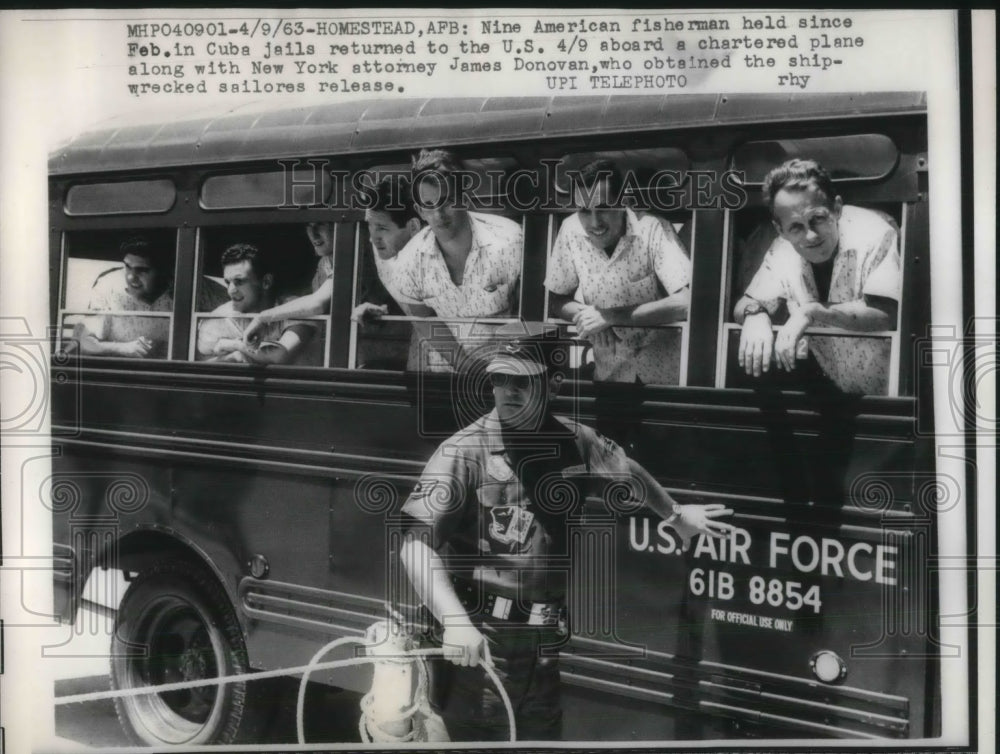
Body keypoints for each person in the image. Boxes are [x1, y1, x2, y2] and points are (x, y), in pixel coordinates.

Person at [398, 322, 733, 742]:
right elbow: (415, 545)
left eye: (521, 381)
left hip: (542, 648)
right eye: (499, 378)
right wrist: (455, 622)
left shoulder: (575, 441)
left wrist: (675, 513)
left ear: (553, 384)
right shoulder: (463, 451)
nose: (506, 390)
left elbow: (627, 473)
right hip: (482, 643)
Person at [733, 158, 900, 394]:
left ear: (837, 209)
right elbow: (744, 305)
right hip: (835, 392)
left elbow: (885, 315)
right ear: (780, 229)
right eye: (796, 227)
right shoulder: (781, 248)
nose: (810, 235)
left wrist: (810, 311)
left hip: (888, 397)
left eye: (818, 219)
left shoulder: (876, 232)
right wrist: (755, 315)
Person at [544, 158, 692, 385]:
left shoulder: (652, 228)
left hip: (663, 381)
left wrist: (609, 317)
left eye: (603, 208)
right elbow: (555, 299)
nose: (595, 223)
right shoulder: (569, 230)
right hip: (608, 377)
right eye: (584, 211)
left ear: (623, 202)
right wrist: (587, 317)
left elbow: (686, 303)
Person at [386, 149, 523, 370]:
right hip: (443, 378)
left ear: (464, 199)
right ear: (420, 211)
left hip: (507, 373)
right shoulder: (408, 262)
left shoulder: (511, 240)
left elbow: (527, 312)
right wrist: (465, 365)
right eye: (429, 205)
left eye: (447, 201)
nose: (439, 214)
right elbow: (424, 320)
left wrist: (496, 364)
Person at [74, 236, 224, 359]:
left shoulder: (195, 286)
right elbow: (82, 342)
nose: (131, 277)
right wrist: (123, 348)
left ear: (165, 271)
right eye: (127, 266)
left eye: (142, 270)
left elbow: (236, 314)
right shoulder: (107, 286)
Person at [197, 243, 312, 364]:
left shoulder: (294, 307)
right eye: (227, 282)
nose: (230, 290)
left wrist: (234, 345)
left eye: (239, 281)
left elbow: (280, 357)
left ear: (266, 282)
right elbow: (198, 368)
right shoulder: (217, 319)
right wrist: (229, 358)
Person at [241, 221, 337, 346]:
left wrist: (262, 318)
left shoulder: (352, 253)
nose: (313, 234)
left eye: (320, 224)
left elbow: (317, 304)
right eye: (309, 225)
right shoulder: (325, 262)